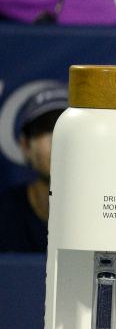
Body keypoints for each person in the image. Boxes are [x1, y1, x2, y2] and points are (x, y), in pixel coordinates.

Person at [0, 85, 67, 252]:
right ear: (25, 145)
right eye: (47, 129)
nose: (59, 139)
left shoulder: (107, 214)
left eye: (68, 128)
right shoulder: (4, 213)